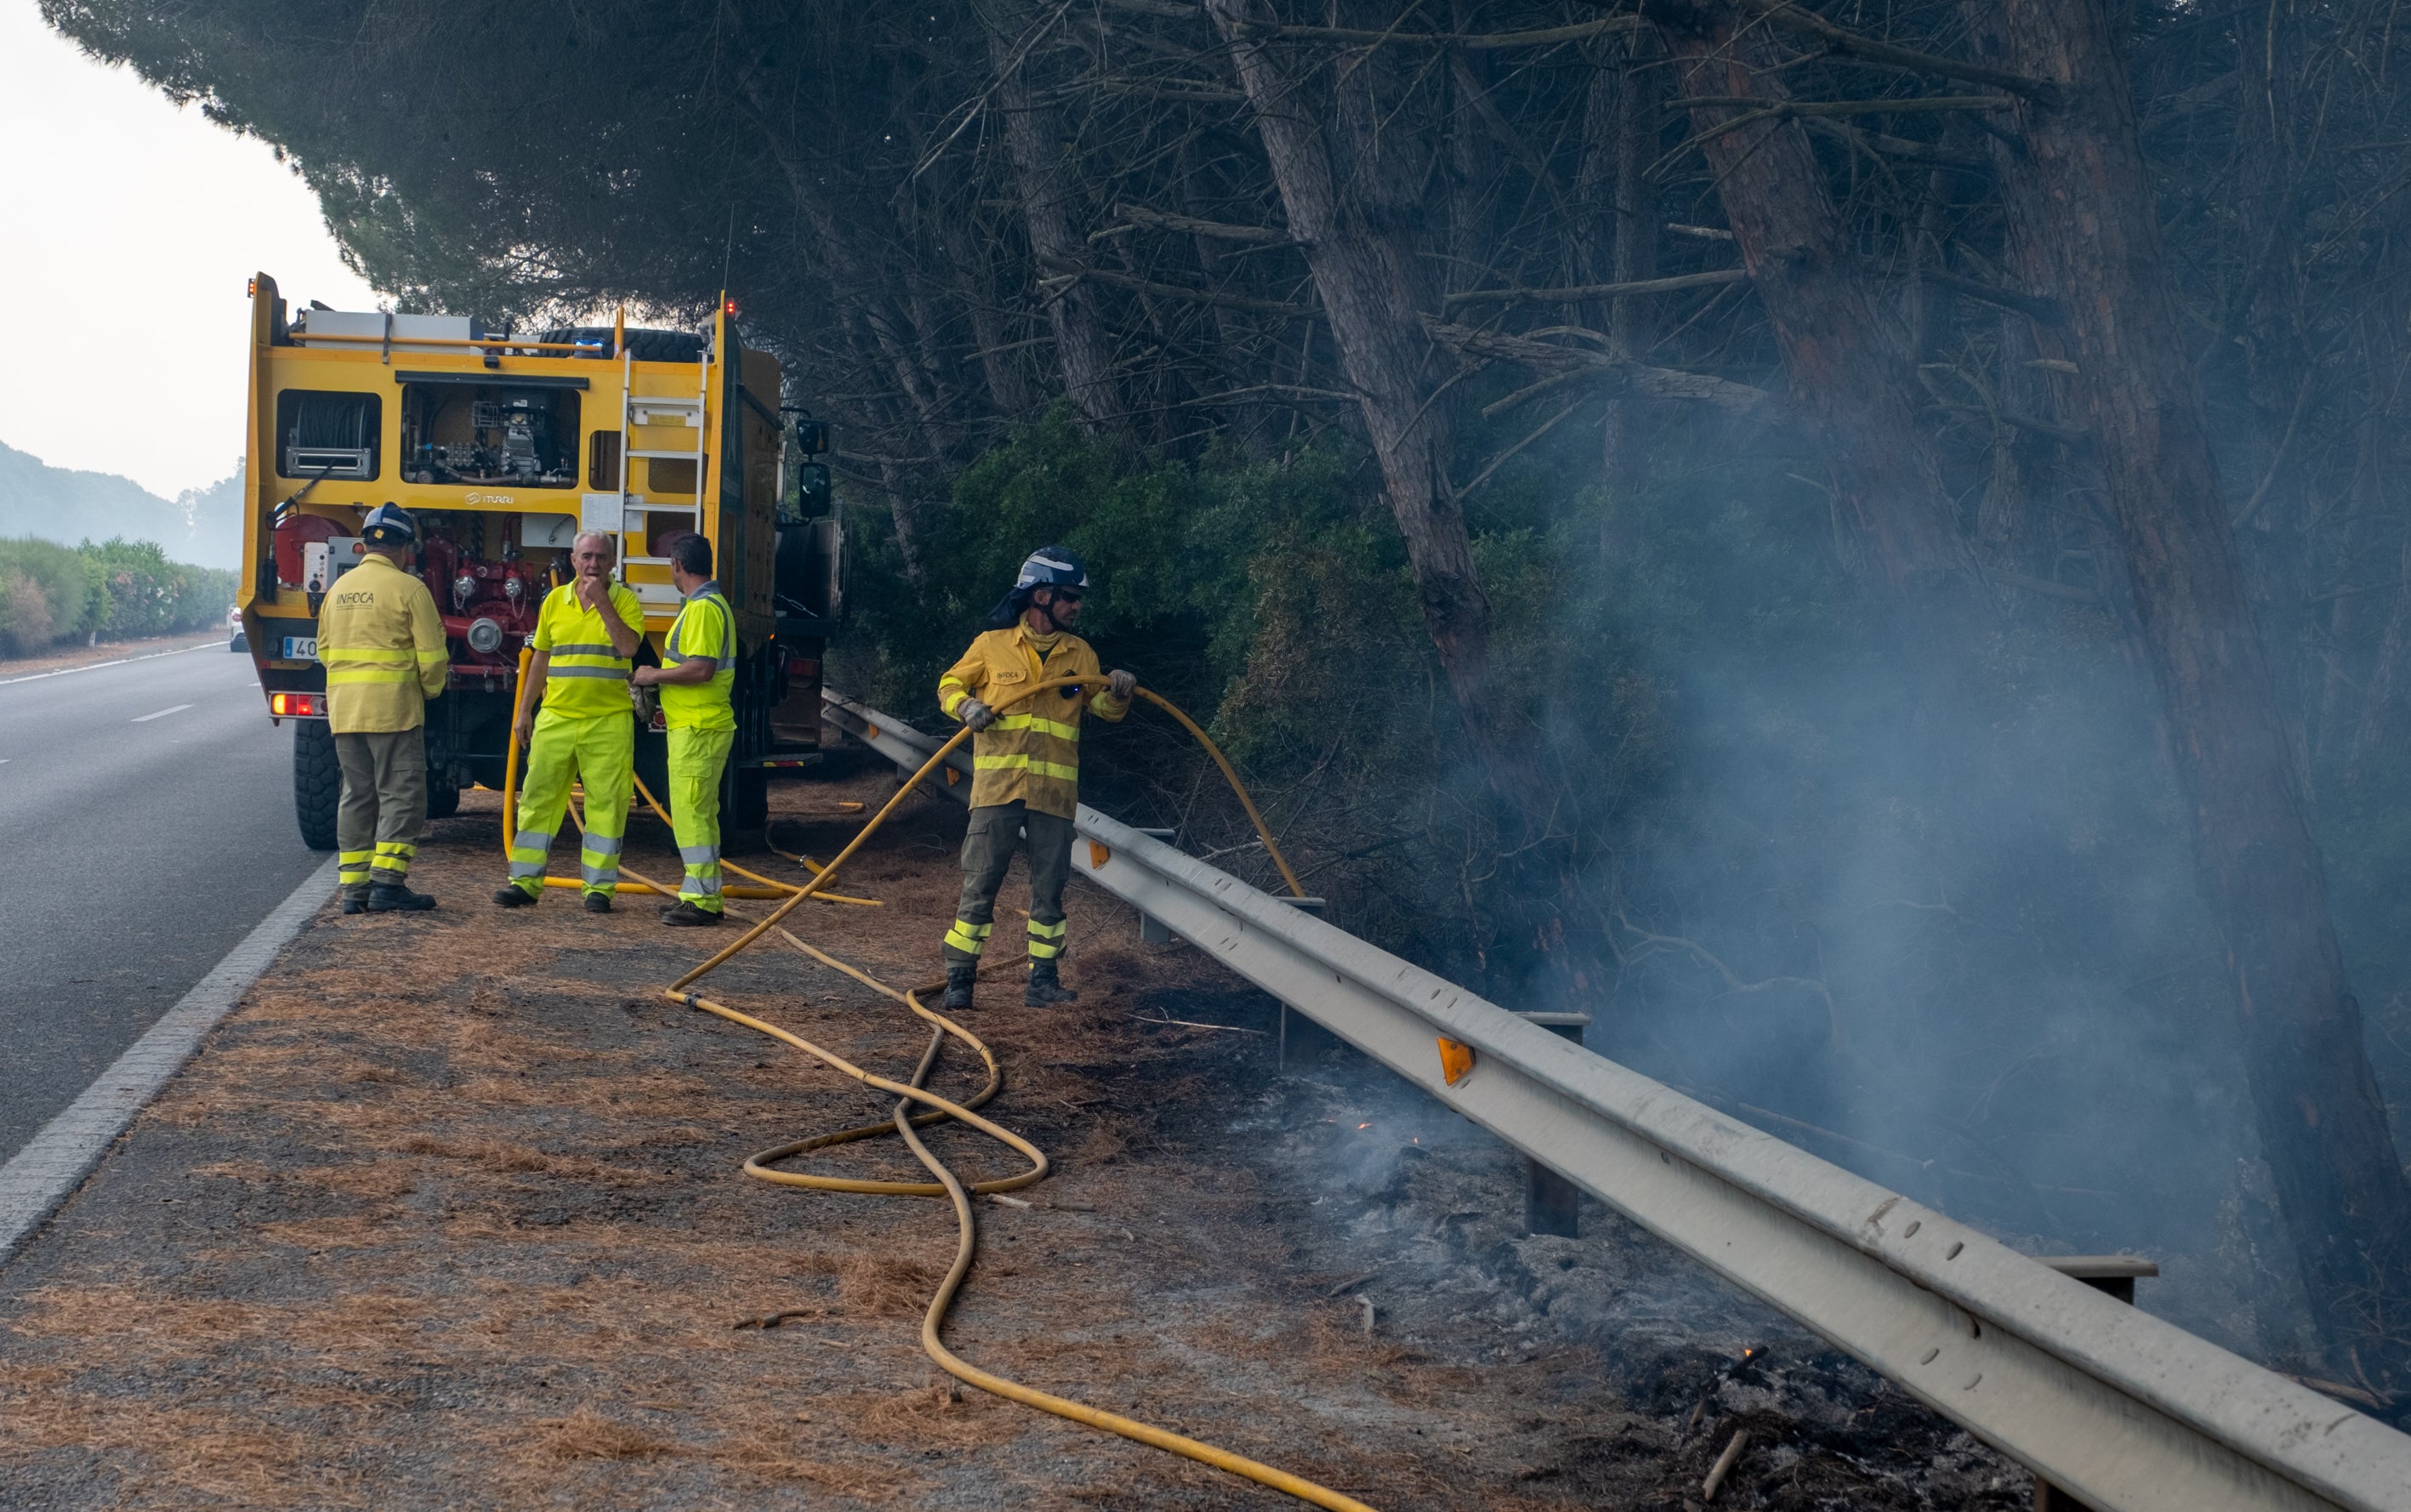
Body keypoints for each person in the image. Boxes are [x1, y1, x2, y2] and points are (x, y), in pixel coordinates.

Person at [935, 546, 1136, 1009]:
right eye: (1069, 596)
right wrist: (966, 706)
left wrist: (1120, 693)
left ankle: (1043, 982)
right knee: (980, 883)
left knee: (1050, 890)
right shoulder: (992, 644)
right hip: (997, 792)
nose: (1077, 606)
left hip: (1053, 796)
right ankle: (960, 980)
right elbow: (948, 684)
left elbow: (1103, 709)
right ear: (1041, 596)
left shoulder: (1079, 654)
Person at [495, 531, 644, 913]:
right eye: (586, 556)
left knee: (607, 806)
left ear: (613, 562)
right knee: (537, 800)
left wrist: (603, 603)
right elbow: (540, 659)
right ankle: (524, 882)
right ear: (573, 560)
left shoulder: (626, 601)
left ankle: (599, 889)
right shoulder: (554, 602)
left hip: (608, 721)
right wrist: (524, 711)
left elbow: (628, 648)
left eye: (601, 557)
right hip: (557, 717)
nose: (593, 564)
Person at [317, 503, 448, 913]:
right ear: (404, 547)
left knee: (356, 796)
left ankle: (354, 891)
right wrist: (429, 691)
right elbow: (432, 657)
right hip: (393, 711)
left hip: (345, 712)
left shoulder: (338, 590)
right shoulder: (410, 589)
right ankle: (388, 884)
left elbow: (324, 651)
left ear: (365, 544)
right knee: (402, 796)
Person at [631, 532, 735, 927]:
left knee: (692, 813)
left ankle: (703, 900)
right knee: (698, 814)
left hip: (699, 726)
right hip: (694, 726)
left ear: (677, 564)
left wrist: (652, 674)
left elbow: (701, 668)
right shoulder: (701, 606)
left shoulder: (704, 609)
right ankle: (698, 892)